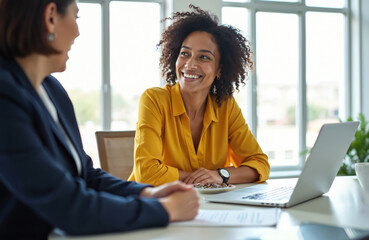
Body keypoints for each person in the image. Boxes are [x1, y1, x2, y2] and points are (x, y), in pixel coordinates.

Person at [0, 0, 200, 238]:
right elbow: (69, 207)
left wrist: (147, 194)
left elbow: (85, 174)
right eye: (76, 17)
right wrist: (165, 210)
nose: (77, 31)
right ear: (51, 17)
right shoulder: (4, 97)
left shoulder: (52, 90)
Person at [128, 5, 270, 187]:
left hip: (211, 209)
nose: (189, 65)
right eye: (185, 54)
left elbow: (260, 164)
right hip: (156, 206)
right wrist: (204, 180)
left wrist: (220, 175)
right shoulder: (154, 100)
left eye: (204, 57)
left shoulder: (225, 105)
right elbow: (146, 173)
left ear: (219, 69)